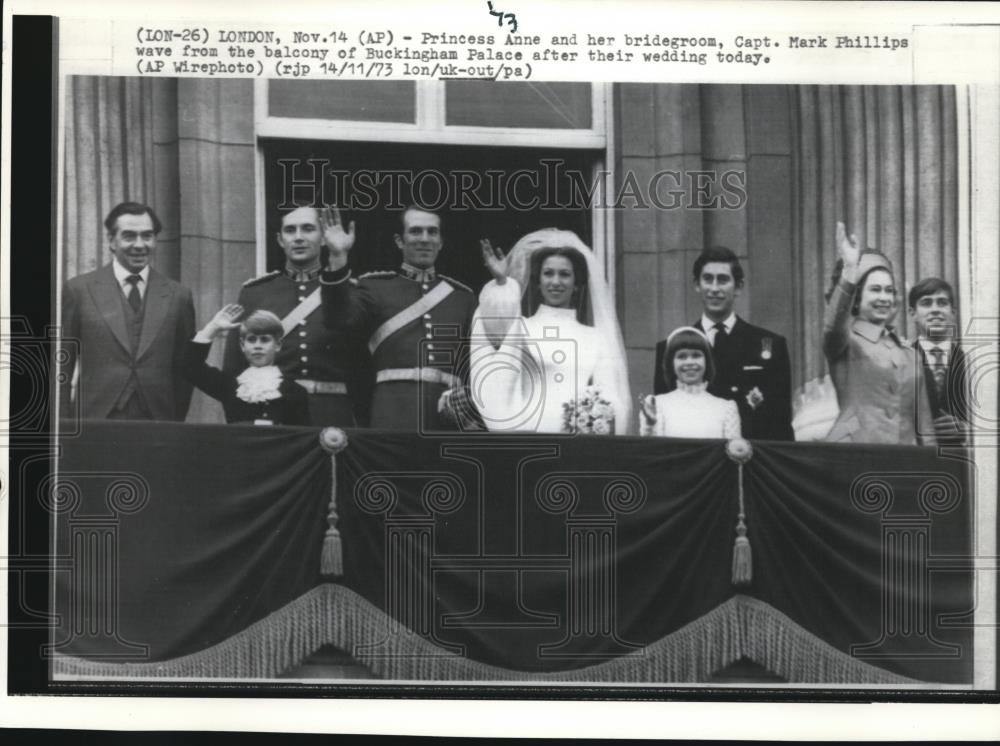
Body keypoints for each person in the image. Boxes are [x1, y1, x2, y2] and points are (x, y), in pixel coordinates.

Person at [320, 205, 477, 430]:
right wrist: (337, 256)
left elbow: (477, 363)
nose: (424, 239)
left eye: (432, 232)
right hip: (392, 412)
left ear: (441, 242)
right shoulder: (374, 288)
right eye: (415, 231)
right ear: (399, 241)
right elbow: (337, 319)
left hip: (447, 417)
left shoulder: (463, 298)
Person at [471, 228, 632, 434]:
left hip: (578, 439)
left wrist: (594, 422)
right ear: (538, 281)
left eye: (564, 274)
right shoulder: (521, 327)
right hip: (529, 432)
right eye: (548, 274)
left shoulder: (596, 337)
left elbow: (610, 394)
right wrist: (503, 283)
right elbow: (491, 326)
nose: (556, 282)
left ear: (576, 283)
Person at [223, 205, 361, 427]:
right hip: (275, 413)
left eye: (308, 229)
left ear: (324, 238)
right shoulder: (255, 293)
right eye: (290, 230)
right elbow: (234, 368)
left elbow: (361, 365)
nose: (298, 237)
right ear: (279, 239)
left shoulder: (348, 291)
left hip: (332, 414)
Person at [60, 201, 195, 421]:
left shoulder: (179, 296)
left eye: (147, 236)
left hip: (158, 422)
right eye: (129, 236)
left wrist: (174, 422)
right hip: (94, 420)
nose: (140, 245)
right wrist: (62, 424)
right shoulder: (79, 290)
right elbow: (60, 366)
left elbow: (184, 372)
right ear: (112, 241)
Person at [652, 246, 793, 441]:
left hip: (750, 463)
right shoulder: (670, 348)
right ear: (697, 285)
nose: (715, 288)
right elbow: (662, 421)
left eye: (723, 280)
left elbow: (781, 427)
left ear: (738, 287)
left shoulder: (770, 345)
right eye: (708, 279)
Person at [823, 222, 935, 445]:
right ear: (857, 297)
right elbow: (833, 325)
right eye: (875, 290)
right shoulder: (845, 342)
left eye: (889, 291)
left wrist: (932, 465)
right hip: (853, 454)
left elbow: (926, 430)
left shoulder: (911, 355)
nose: (884, 298)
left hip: (903, 461)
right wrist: (850, 271)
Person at [185, 304, 310, 426]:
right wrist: (213, 328)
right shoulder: (230, 384)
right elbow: (190, 367)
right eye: (251, 340)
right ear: (242, 345)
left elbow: (300, 438)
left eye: (265, 340)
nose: (257, 346)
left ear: (277, 345)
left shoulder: (295, 391)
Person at [639, 326, 741, 439]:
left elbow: (733, 452)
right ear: (671, 363)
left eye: (696, 355)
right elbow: (652, 452)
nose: (689, 362)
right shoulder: (656, 405)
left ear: (707, 361)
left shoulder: (726, 408)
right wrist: (650, 425)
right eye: (682, 357)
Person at [908, 277, 969, 444]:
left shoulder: (971, 362)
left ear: (953, 313)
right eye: (926, 303)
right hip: (914, 460)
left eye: (942, 303)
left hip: (963, 463)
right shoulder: (902, 359)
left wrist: (969, 430)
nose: (935, 310)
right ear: (913, 313)